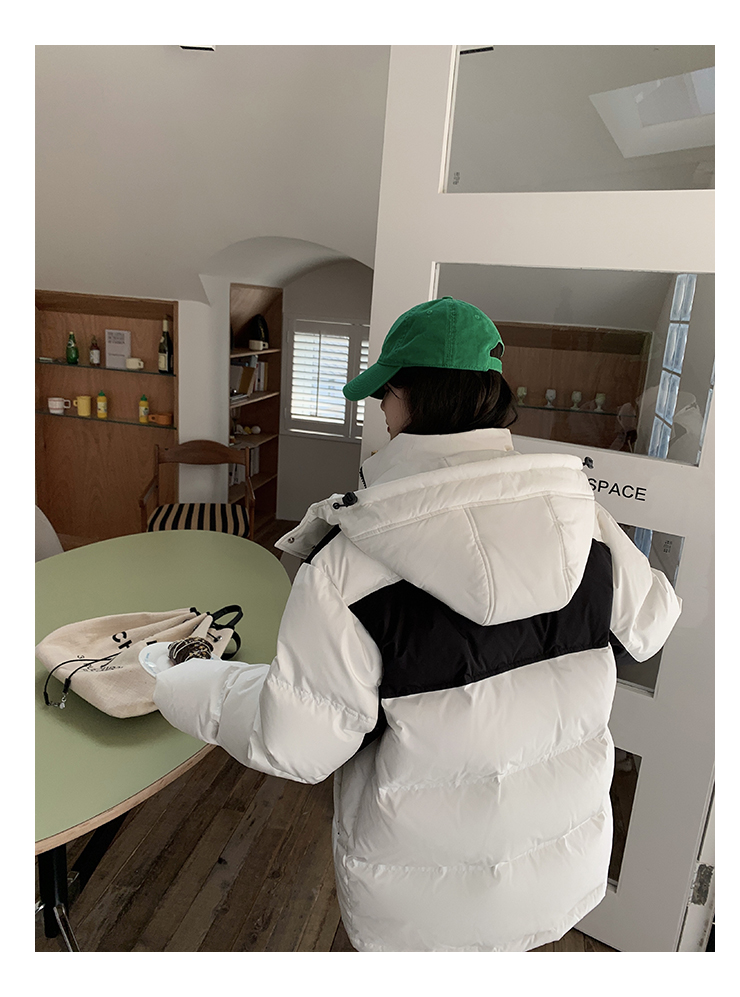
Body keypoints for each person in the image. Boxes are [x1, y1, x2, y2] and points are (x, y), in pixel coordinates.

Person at [154, 296, 682, 952]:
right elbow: (652, 622)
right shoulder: (585, 525)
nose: (381, 411)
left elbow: (296, 741)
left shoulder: (350, 563)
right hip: (557, 868)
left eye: (385, 394)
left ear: (409, 397)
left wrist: (180, 678)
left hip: (420, 907)